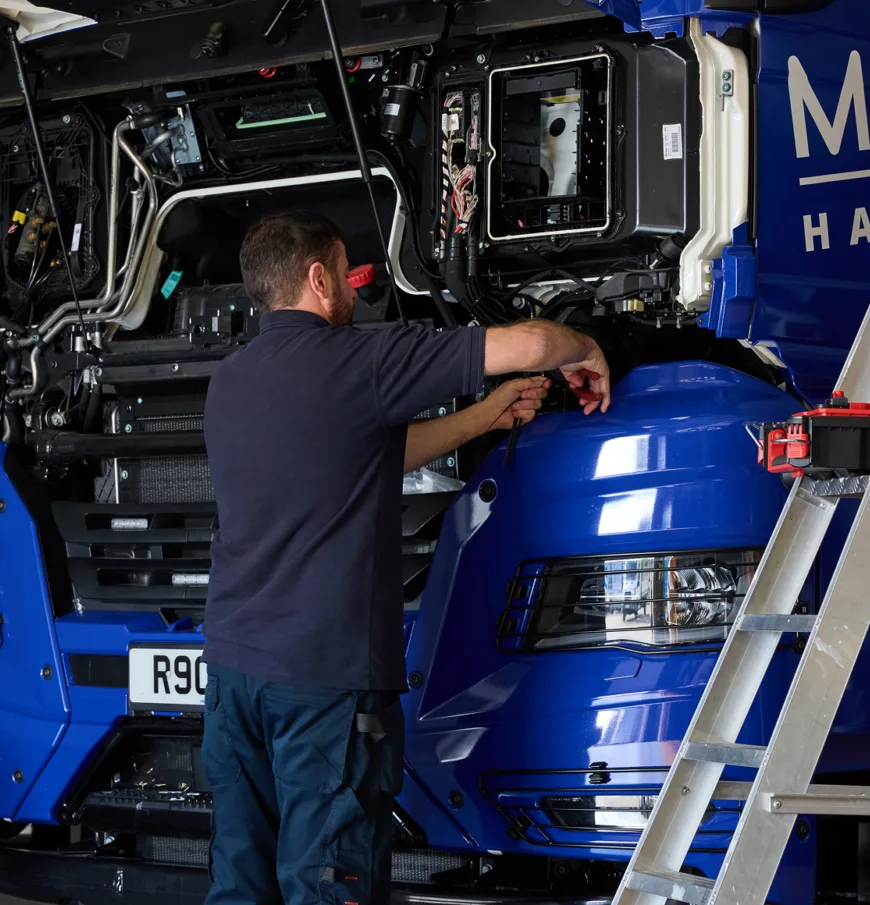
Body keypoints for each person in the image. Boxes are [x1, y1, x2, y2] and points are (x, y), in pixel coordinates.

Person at [201, 211, 611, 905]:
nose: (354, 296)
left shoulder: (230, 382)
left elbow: (371, 458)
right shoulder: (359, 360)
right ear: (318, 278)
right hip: (325, 682)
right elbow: (531, 341)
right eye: (345, 276)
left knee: (240, 881)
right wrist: (584, 346)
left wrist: (487, 415)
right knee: (328, 884)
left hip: (236, 676)